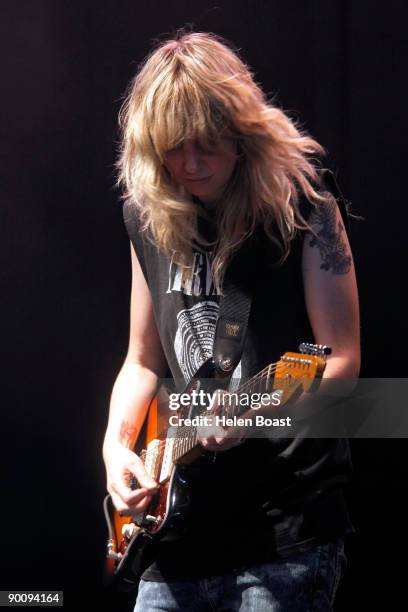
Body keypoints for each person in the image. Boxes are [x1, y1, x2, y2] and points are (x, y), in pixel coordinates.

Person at [102, 30, 360, 612]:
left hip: (285, 532)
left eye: (208, 144)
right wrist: (116, 448)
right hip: (178, 538)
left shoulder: (304, 206)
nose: (191, 164)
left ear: (242, 134)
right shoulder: (147, 217)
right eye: (173, 147)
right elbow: (141, 362)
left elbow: (341, 360)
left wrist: (254, 411)